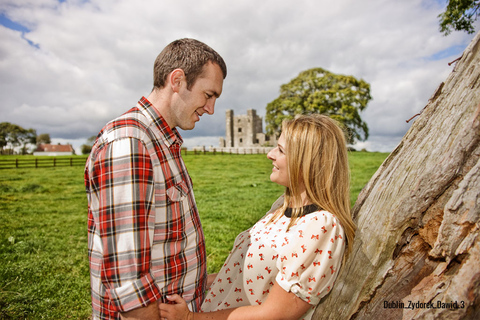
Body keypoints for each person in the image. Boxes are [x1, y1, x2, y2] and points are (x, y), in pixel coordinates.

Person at [159, 114, 356, 320]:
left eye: (280, 150)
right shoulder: (282, 206)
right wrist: (198, 283)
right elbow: (251, 274)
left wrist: (190, 318)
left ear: (306, 162)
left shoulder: (320, 226)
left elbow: (273, 314)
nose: (270, 154)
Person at [84, 38, 227, 320]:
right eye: (208, 95)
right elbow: (130, 282)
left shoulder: (161, 140)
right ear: (177, 80)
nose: (210, 109)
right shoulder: (131, 143)